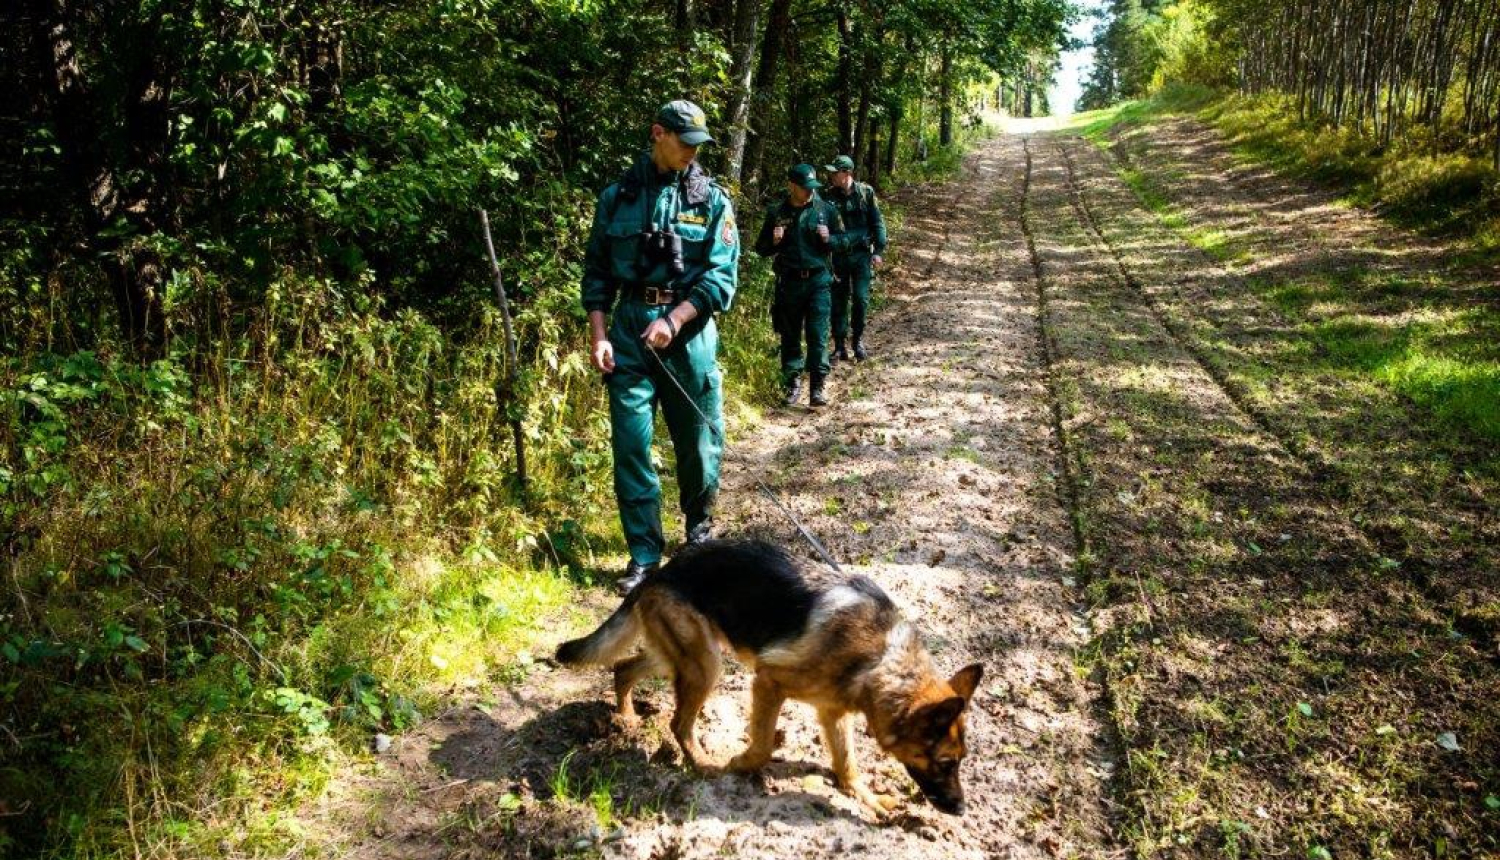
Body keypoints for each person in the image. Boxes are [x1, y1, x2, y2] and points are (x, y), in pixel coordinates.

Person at [580, 100, 740, 593]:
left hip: (688, 333)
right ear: (658, 134)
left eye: (698, 145)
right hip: (629, 331)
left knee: (698, 442)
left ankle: (698, 536)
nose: (693, 152)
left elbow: (721, 278)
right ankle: (644, 557)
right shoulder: (618, 197)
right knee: (631, 445)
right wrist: (599, 335)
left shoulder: (712, 201)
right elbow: (597, 274)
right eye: (685, 142)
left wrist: (675, 319)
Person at [754, 164, 851, 407]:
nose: (809, 191)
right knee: (790, 335)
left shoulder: (825, 210)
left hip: (819, 281)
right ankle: (792, 383)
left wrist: (829, 238)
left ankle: (817, 386)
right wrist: (774, 241)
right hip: (789, 282)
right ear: (792, 186)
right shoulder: (777, 212)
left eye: (812, 187)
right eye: (805, 187)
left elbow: (844, 241)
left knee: (818, 335)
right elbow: (761, 248)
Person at [821, 154, 887, 362]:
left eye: (835, 172)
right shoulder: (828, 196)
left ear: (847, 173)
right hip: (838, 257)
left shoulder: (865, 193)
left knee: (860, 299)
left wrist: (878, 251)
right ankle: (839, 345)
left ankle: (857, 340)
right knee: (838, 301)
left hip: (861, 256)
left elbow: (877, 222)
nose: (831, 176)